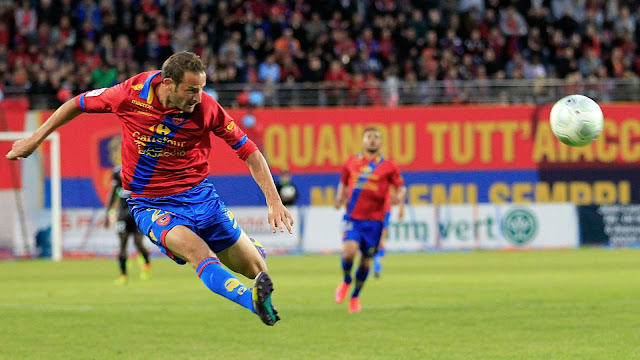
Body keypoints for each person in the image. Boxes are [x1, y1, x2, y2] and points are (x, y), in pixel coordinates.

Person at [6, 51, 293, 326]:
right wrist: (35, 139)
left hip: (201, 196)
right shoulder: (129, 94)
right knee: (196, 251)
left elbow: (250, 152)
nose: (198, 97)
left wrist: (274, 200)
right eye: (192, 89)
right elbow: (77, 103)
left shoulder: (207, 108)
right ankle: (249, 300)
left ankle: (251, 259)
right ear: (169, 84)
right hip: (151, 203)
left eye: (201, 89)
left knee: (256, 270)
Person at [333, 127, 406, 313]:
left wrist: (399, 198)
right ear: (363, 141)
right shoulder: (352, 161)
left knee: (365, 262)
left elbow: (401, 187)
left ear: (381, 143)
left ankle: (355, 296)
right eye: (369, 137)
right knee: (349, 252)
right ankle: (346, 280)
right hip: (353, 218)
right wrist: (339, 197)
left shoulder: (389, 165)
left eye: (376, 138)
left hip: (375, 221)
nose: (372, 140)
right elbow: (343, 181)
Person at [105, 165, 151, 285]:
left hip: (136, 216)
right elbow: (112, 196)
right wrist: (107, 215)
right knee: (122, 244)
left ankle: (146, 262)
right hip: (122, 216)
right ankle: (123, 275)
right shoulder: (118, 177)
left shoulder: (138, 177)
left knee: (138, 243)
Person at [373, 195, 405, 278]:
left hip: (380, 210)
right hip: (380, 210)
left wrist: (401, 208)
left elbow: (398, 196)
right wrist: (401, 208)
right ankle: (376, 265)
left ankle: (376, 265)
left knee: (379, 239)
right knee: (379, 240)